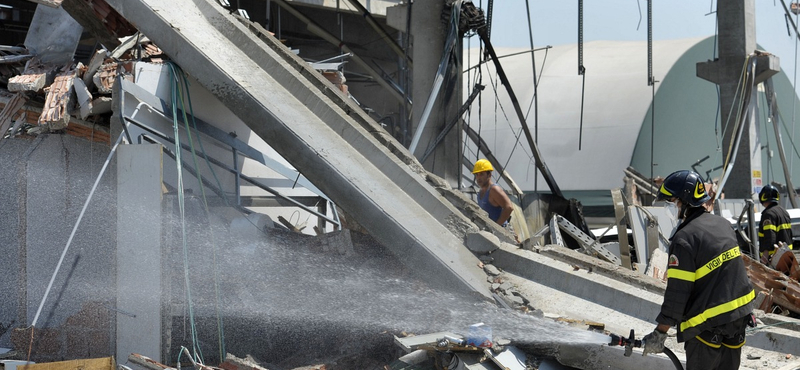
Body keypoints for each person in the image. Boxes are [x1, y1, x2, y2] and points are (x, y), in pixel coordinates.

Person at [642, 170, 755, 370]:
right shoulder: (723, 224)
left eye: (671, 201)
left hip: (707, 327)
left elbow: (677, 294)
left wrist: (660, 332)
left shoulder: (684, 239)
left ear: (683, 202)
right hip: (738, 319)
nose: (669, 207)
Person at [758, 184, 794, 266]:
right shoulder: (784, 211)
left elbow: (770, 235)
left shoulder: (768, 214)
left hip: (774, 258)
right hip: (787, 255)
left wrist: (765, 255)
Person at [472, 159, 514, 227]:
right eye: (477, 175)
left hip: (501, 233)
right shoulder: (481, 192)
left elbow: (509, 207)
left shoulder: (494, 190)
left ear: (489, 174)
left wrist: (496, 227)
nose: (478, 178)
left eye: (481, 174)